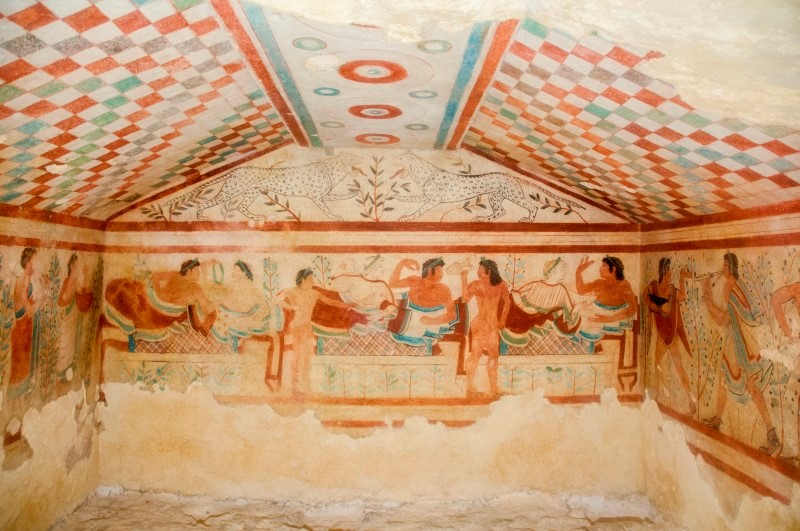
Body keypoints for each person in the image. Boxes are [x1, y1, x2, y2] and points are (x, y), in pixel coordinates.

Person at [701, 252, 779, 455]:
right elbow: (726, 319)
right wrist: (709, 298)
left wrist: (707, 299)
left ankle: (772, 434)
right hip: (736, 342)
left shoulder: (733, 287)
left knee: (752, 387)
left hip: (744, 345)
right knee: (724, 377)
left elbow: (724, 319)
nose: (723, 268)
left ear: (730, 267)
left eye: (725, 265)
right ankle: (717, 420)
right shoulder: (733, 286)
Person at [277, 269, 357, 396]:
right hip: (296, 328)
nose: (313, 281)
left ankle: (306, 387)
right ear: (303, 280)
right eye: (310, 279)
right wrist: (291, 307)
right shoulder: (291, 291)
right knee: (297, 357)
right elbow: (276, 299)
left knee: (307, 358)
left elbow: (331, 302)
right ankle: (295, 388)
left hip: (307, 328)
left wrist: (347, 305)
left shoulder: (314, 293)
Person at [647, 257, 697, 416]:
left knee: (679, 368)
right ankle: (656, 397)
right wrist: (659, 308)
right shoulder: (653, 287)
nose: (670, 275)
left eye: (671, 272)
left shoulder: (672, 290)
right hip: (661, 335)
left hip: (672, 335)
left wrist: (682, 278)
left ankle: (691, 401)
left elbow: (683, 297)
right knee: (657, 364)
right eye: (668, 272)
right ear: (663, 272)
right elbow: (648, 301)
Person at [461, 259, 509, 397]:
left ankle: (493, 390)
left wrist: (503, 319)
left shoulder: (501, 284)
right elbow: (465, 299)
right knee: (476, 355)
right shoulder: (476, 284)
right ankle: (470, 389)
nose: (478, 272)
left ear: (489, 271)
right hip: (480, 324)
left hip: (493, 325)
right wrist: (464, 278)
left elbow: (507, 302)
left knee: (494, 355)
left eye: (481, 270)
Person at [387, 257, 456, 353]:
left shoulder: (443, 290)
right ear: (430, 271)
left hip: (425, 332)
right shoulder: (414, 281)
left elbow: (452, 315)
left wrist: (432, 321)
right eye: (439, 271)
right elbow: (392, 284)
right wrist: (401, 264)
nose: (442, 274)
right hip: (406, 329)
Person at [575, 255, 638, 352]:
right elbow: (581, 290)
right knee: (574, 317)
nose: (600, 269)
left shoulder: (623, 285)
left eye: (604, 265)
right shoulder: (600, 283)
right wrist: (578, 272)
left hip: (609, 318)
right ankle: (590, 349)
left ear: (614, 269)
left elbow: (632, 308)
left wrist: (609, 318)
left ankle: (589, 350)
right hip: (595, 313)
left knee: (581, 325)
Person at [9, 247, 38, 395]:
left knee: (24, 369)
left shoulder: (26, 280)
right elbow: (29, 310)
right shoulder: (22, 282)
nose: (34, 266)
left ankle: (21, 394)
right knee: (18, 371)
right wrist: (43, 299)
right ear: (27, 263)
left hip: (25, 330)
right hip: (21, 331)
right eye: (33, 262)